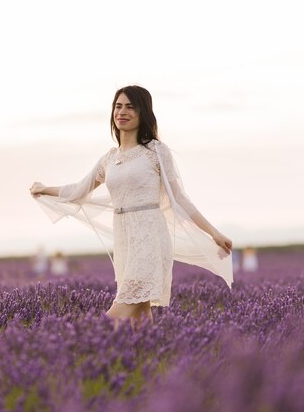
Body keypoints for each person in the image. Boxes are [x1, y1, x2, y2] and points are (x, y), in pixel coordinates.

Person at [31, 85, 233, 328]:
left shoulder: (156, 151)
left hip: (150, 235)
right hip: (124, 239)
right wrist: (44, 188)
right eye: (118, 106)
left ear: (142, 113)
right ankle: (147, 360)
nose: (122, 112)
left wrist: (214, 233)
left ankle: (80, 346)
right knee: (140, 316)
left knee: (120, 309)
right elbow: (77, 190)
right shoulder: (109, 158)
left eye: (130, 107)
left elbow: (180, 199)